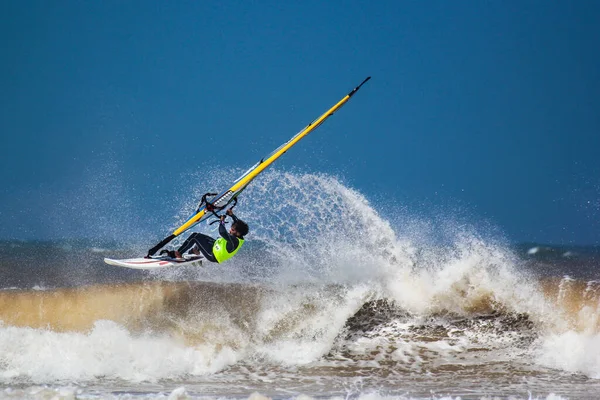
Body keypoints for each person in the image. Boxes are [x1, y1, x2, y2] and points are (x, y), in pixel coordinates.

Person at [162, 209, 249, 263]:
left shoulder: (234, 240)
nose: (230, 230)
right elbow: (238, 223)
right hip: (216, 245)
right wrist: (232, 215)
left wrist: (222, 221)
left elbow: (222, 232)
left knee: (195, 236)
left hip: (213, 255)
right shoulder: (240, 235)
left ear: (238, 233)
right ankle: (194, 251)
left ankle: (178, 253)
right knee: (200, 238)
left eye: (232, 230)